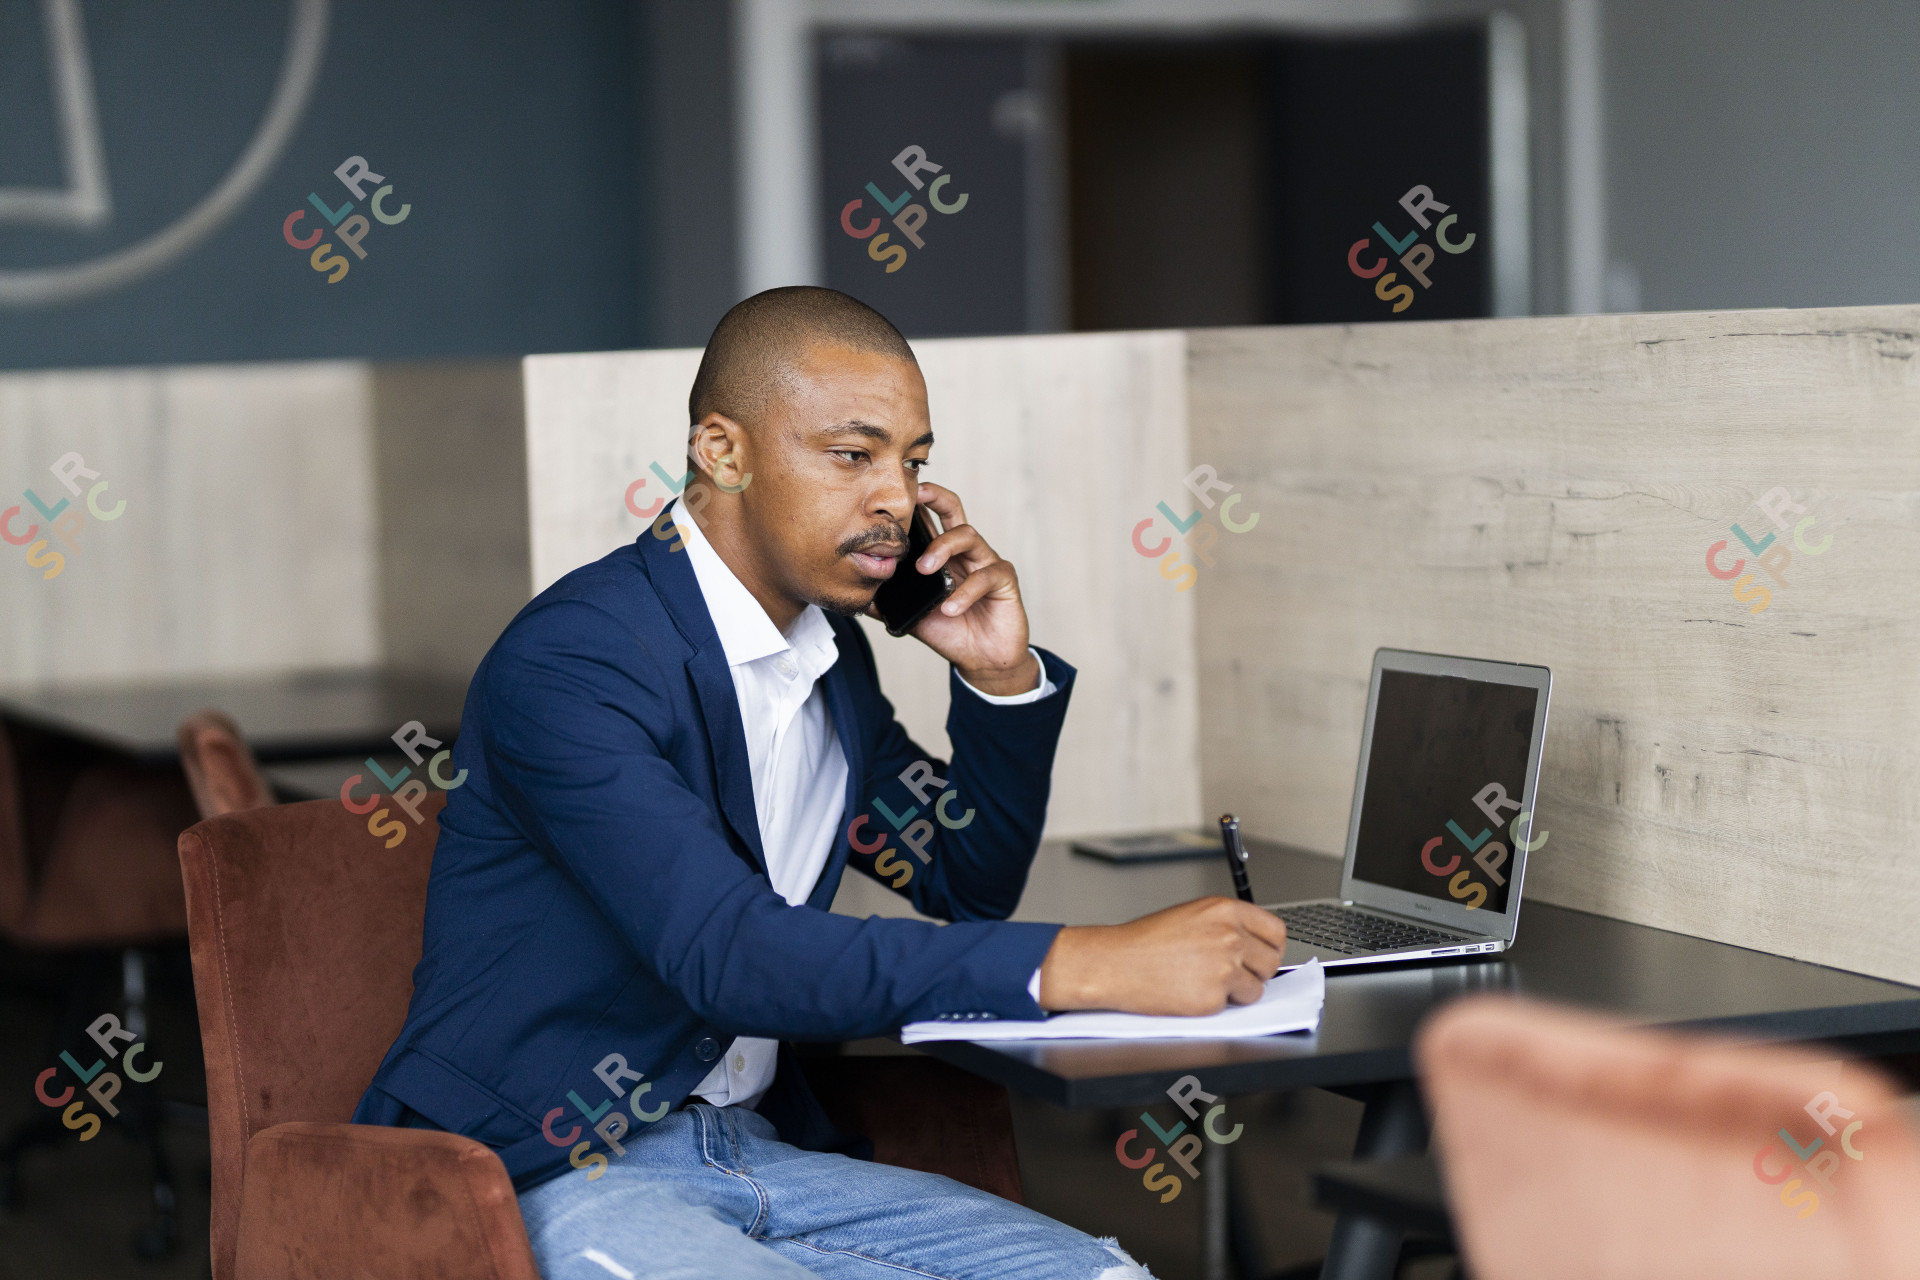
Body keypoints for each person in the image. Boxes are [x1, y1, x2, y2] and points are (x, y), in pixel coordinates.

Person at [353, 286, 1288, 1279]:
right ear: (725, 451)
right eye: (853, 454)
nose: (895, 495)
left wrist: (997, 676)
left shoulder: (829, 654)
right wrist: (1093, 963)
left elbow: (959, 874)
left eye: (913, 460)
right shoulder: (576, 661)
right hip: (551, 1158)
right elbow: (727, 953)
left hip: (762, 1153)